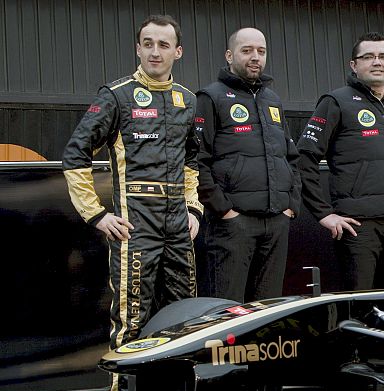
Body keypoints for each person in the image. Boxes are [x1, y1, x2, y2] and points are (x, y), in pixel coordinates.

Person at [63, 14, 201, 355]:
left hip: (178, 225)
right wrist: (96, 215)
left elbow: (191, 161)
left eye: (164, 45)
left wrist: (193, 208)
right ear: (138, 49)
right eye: (148, 44)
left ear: (177, 52)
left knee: (187, 315)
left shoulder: (188, 100)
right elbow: (75, 153)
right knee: (131, 317)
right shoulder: (116, 95)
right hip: (135, 225)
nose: (156, 52)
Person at [297, 32, 384, 291]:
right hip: (358, 227)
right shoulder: (336, 102)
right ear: (354, 65)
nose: (377, 62)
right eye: (368, 57)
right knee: (359, 305)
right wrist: (324, 214)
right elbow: (304, 157)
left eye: (383, 56)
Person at [195, 28, 300, 302]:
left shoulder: (273, 100)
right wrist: (224, 210)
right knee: (226, 313)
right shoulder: (210, 97)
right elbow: (197, 159)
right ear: (229, 55)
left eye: (261, 51)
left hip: (276, 222)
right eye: (247, 51)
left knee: (267, 311)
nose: (255, 57)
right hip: (233, 225)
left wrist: (291, 204)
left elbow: (290, 156)